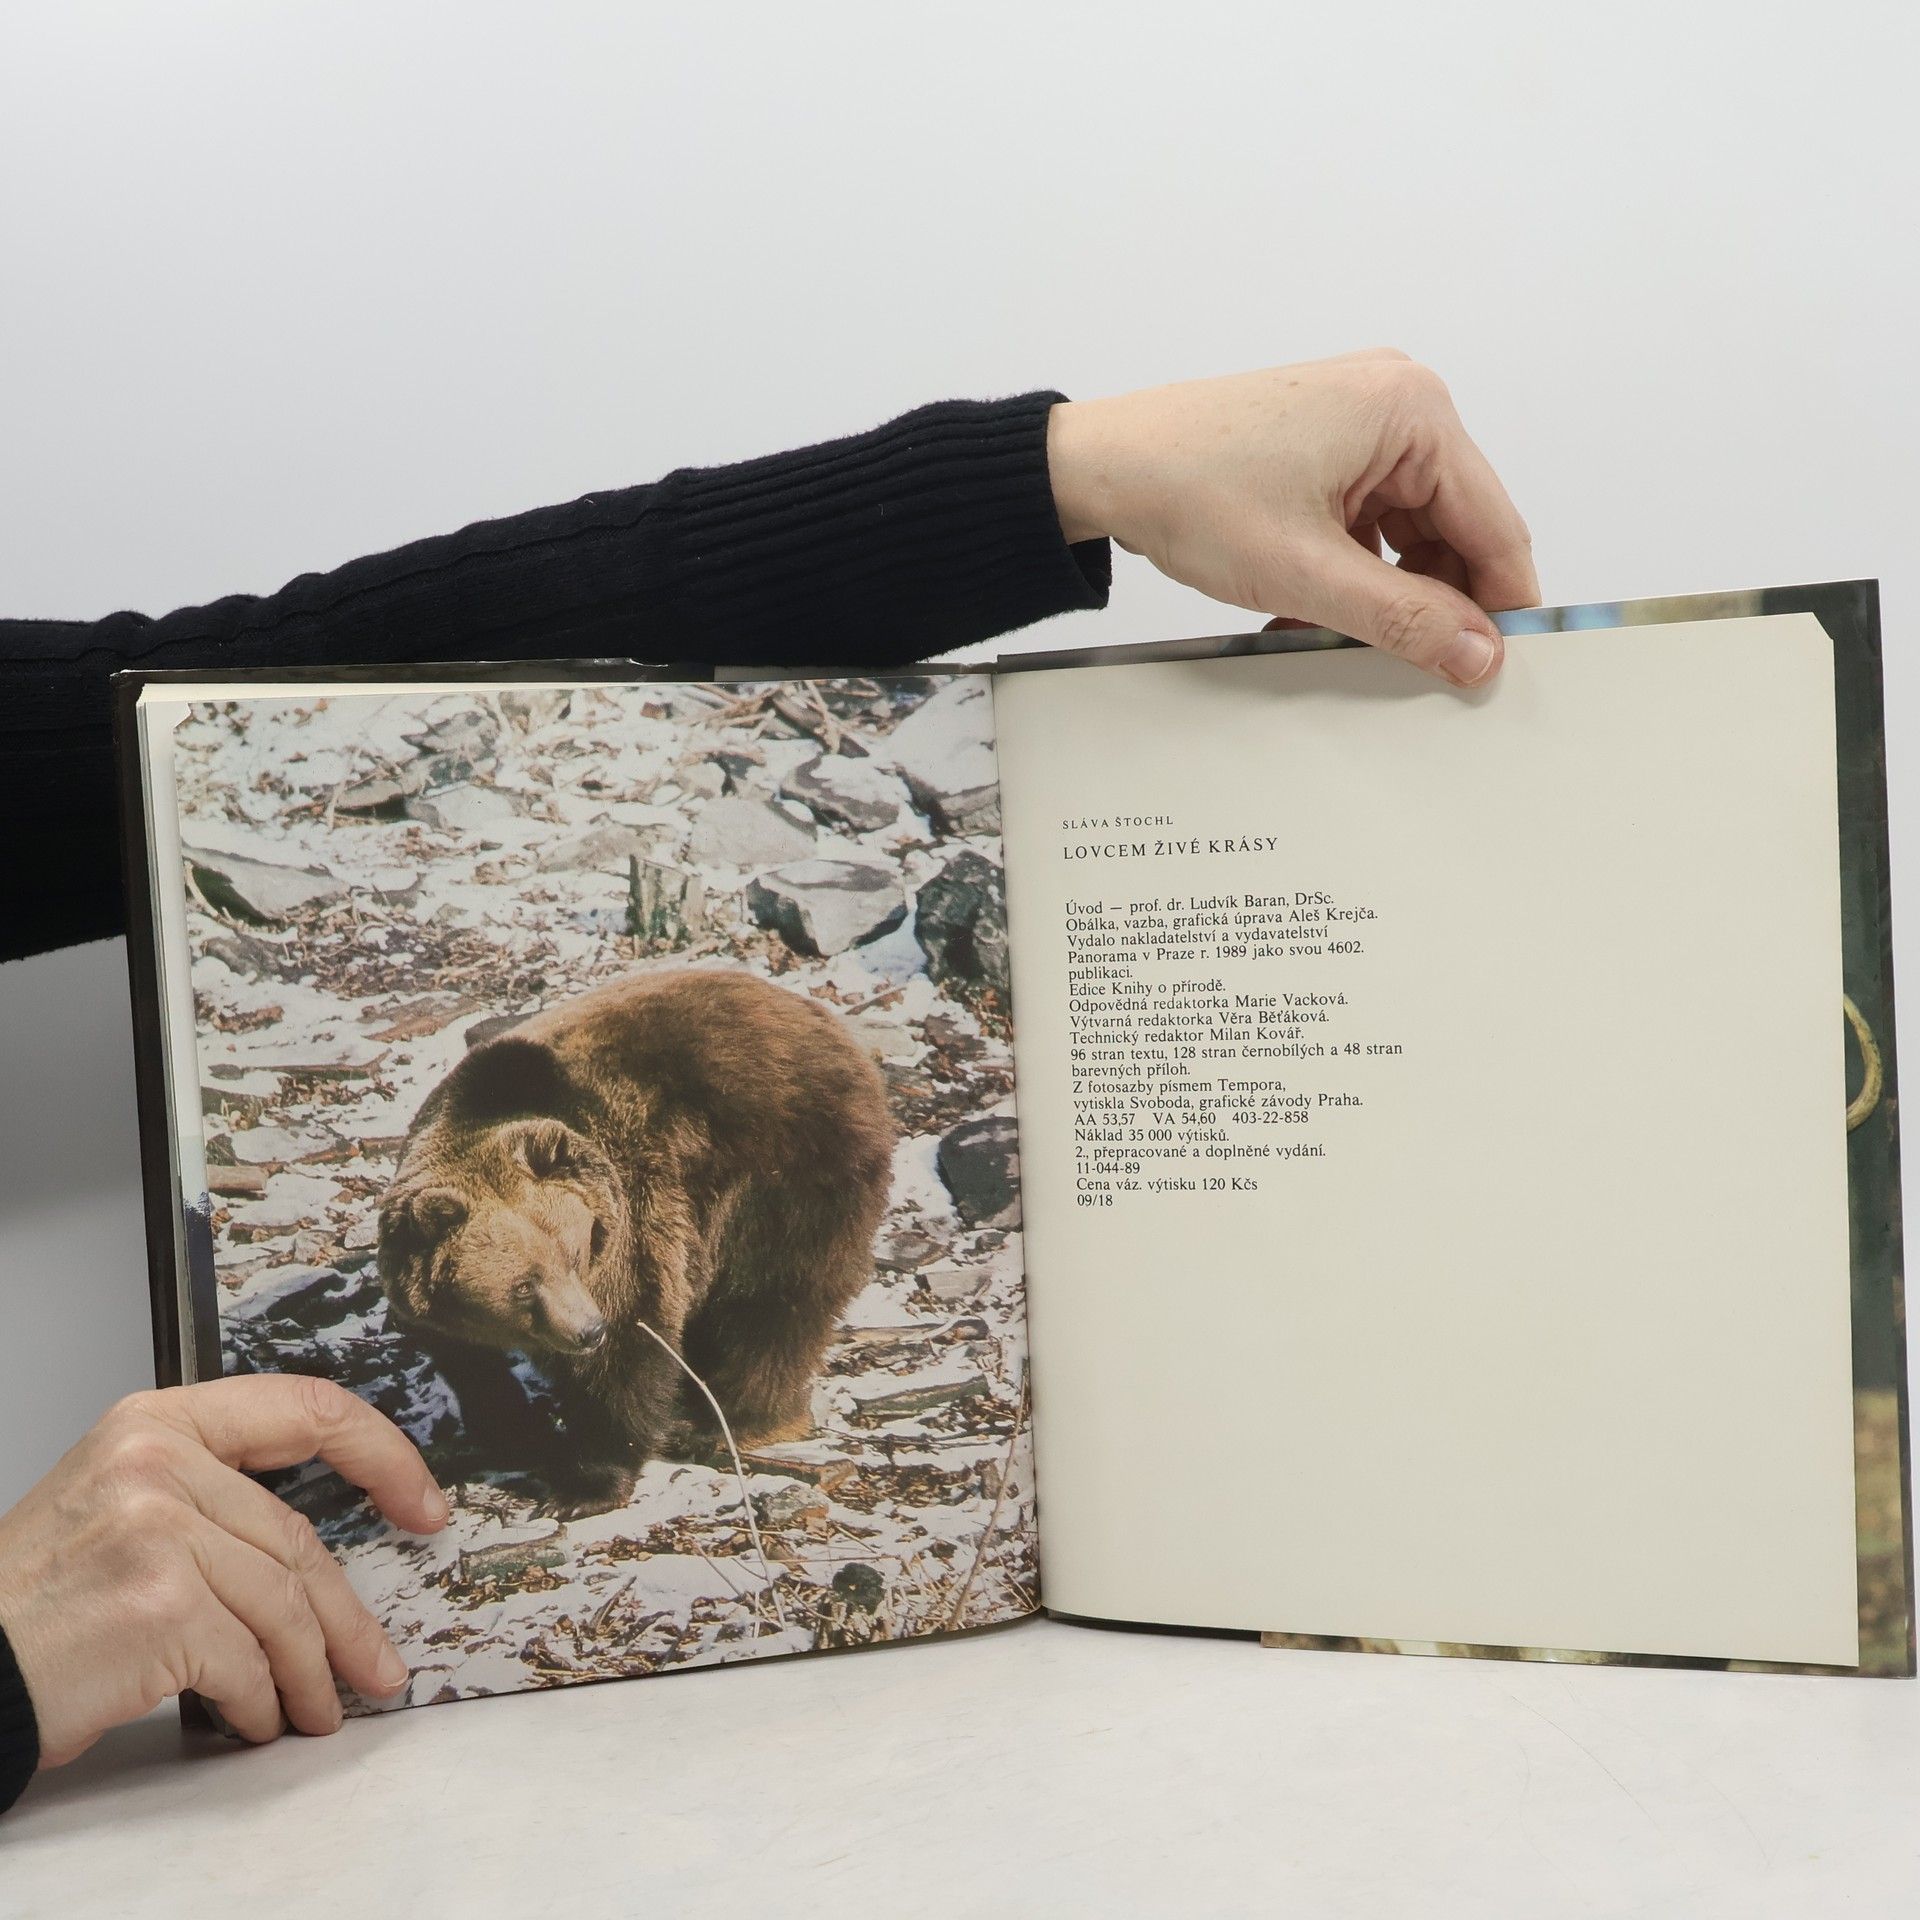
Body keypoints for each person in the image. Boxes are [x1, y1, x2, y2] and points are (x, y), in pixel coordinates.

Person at [0, 348, 1538, 1813]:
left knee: (734, 1370)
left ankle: (740, 1412)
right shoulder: (463, 1223)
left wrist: (1064, 476)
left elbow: (240, 680)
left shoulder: (563, 1182)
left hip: (788, 1119)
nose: (573, 1308)